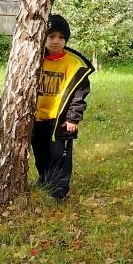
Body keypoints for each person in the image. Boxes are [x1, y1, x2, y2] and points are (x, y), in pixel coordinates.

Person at [32, 14, 94, 201]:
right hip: (38, 117)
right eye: (51, 36)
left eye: (61, 37)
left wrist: (73, 118)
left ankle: (58, 191)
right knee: (41, 153)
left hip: (61, 119)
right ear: (44, 38)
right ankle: (45, 181)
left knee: (60, 156)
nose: (55, 41)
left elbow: (79, 94)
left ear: (66, 40)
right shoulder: (35, 58)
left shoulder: (74, 64)